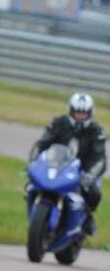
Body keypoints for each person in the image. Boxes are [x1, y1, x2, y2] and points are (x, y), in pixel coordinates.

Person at [30, 93, 106, 235]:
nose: (80, 116)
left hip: (85, 169)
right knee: (31, 185)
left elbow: (100, 159)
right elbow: (42, 144)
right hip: (59, 166)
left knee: (94, 193)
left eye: (83, 113)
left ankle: (88, 218)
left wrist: (89, 176)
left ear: (90, 113)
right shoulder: (58, 123)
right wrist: (35, 162)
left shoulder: (97, 131)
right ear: (70, 110)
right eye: (77, 112)